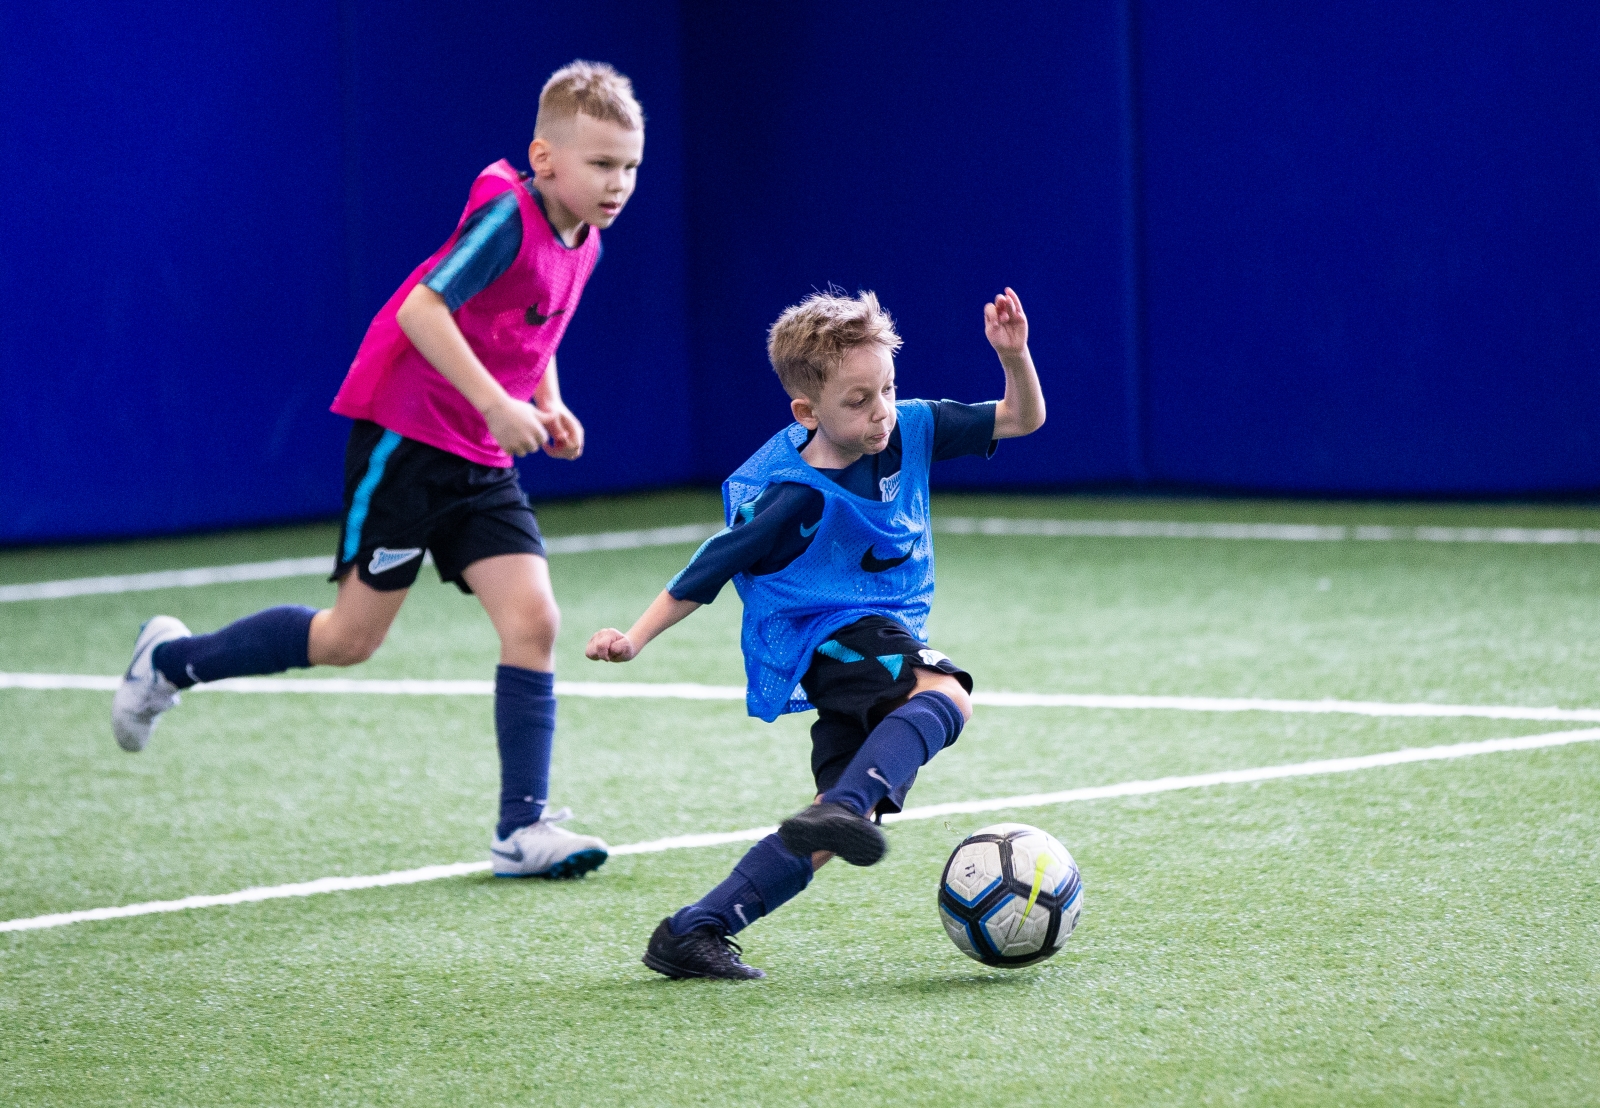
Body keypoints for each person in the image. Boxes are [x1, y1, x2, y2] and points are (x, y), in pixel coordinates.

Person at [112, 60, 646, 880]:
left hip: (482, 456)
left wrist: (546, 398)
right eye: (602, 165)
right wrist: (500, 408)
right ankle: (170, 663)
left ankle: (521, 828)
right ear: (545, 159)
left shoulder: (588, 239)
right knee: (347, 640)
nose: (618, 183)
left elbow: (528, 326)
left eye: (631, 167)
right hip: (409, 443)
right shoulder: (507, 218)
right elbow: (422, 308)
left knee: (533, 621)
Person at [585, 287, 1047, 978]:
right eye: (857, 401)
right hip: (829, 637)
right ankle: (848, 805)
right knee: (946, 694)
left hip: (871, 633)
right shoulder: (791, 493)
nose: (880, 410)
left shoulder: (912, 428)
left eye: (886, 389)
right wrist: (635, 636)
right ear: (808, 411)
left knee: (826, 830)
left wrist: (1015, 356)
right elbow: (706, 571)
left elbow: (1022, 417)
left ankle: (695, 929)